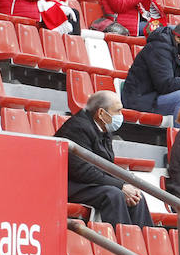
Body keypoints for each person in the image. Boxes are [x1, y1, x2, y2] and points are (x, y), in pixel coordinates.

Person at [55, 91, 153, 226]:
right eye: (118, 111)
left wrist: (126, 184)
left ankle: (141, 243)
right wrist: (120, 186)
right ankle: (122, 243)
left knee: (136, 195)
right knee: (114, 194)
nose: (121, 116)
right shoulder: (77, 128)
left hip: (88, 182)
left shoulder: (103, 129)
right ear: (101, 113)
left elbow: (106, 166)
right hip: (68, 184)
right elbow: (82, 171)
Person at [120, 17, 180, 120]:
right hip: (142, 99)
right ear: (178, 38)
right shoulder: (158, 48)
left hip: (157, 97)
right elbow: (164, 85)